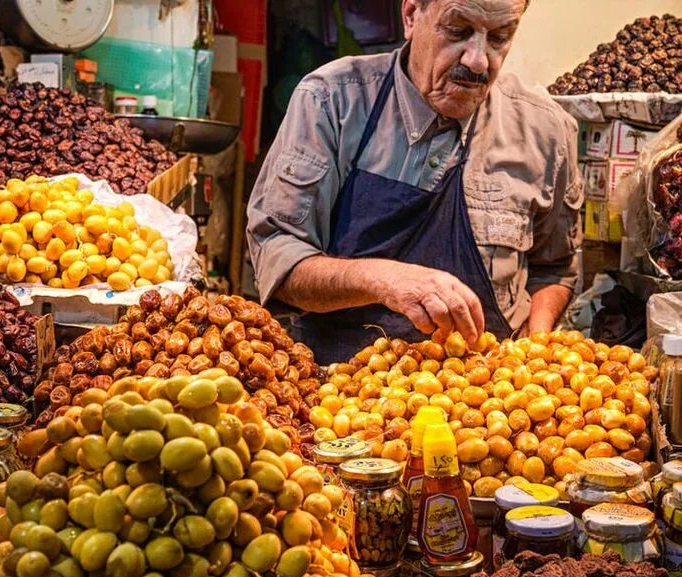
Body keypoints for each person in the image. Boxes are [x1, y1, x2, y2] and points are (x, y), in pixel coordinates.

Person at [247, 0, 583, 364]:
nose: (478, 61)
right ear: (410, 15)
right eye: (457, 31)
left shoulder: (547, 131)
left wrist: (536, 347)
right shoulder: (331, 102)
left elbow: (555, 268)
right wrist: (383, 280)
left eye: (499, 38)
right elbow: (278, 258)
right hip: (337, 395)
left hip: (492, 406)